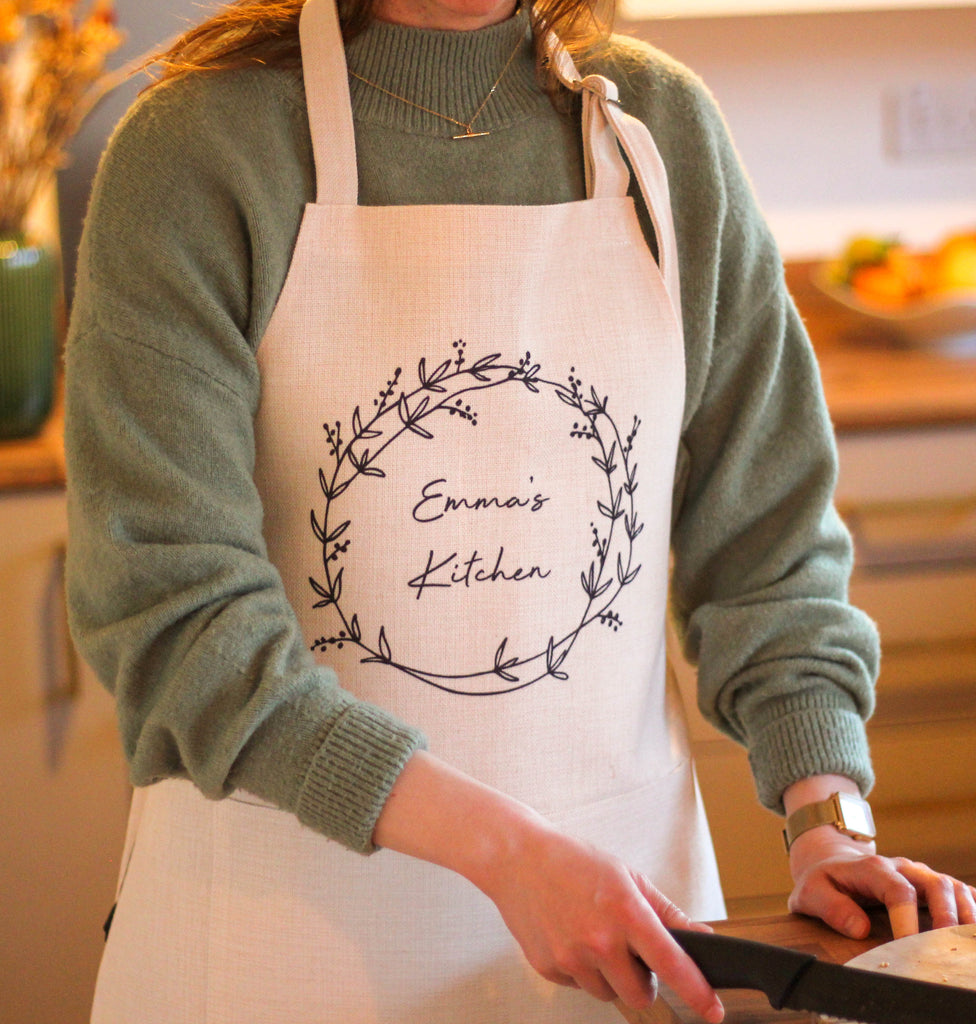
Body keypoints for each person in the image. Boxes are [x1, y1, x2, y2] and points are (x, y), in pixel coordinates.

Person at [64, 0, 976, 1020]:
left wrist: (829, 823)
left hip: (631, 940)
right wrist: (511, 853)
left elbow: (768, 538)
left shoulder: (663, 132)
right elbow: (177, 615)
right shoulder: (198, 148)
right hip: (279, 951)